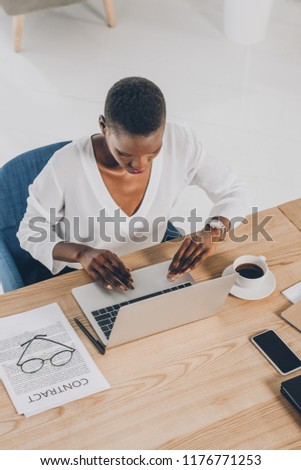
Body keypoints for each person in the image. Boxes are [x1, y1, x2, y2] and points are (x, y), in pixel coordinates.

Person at [17, 77, 250, 291]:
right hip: (86, 275)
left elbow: (233, 189)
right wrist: (82, 252)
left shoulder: (181, 142)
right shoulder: (66, 165)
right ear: (103, 126)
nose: (140, 164)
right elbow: (30, 232)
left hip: (152, 263)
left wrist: (214, 230)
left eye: (153, 152)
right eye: (125, 154)